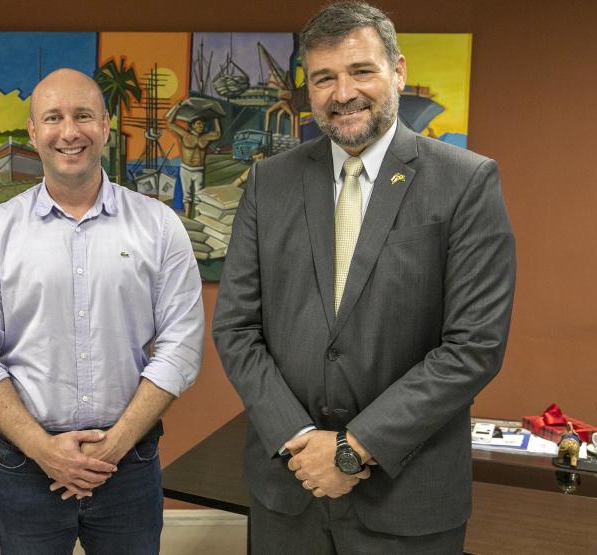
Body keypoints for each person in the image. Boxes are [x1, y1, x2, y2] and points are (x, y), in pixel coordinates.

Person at [212, 2, 516, 552]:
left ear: (397, 71)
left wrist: (354, 449)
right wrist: (302, 440)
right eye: (324, 77)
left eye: (361, 71)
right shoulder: (268, 183)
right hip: (289, 489)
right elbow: (236, 328)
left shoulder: (465, 184)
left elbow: (474, 346)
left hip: (408, 499)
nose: (342, 92)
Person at [0, 68, 204, 554]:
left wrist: (114, 445)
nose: (69, 132)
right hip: (26, 466)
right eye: (54, 117)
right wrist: (44, 450)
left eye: (83, 115)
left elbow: (181, 347)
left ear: (105, 127)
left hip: (127, 464)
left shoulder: (159, 226)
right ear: (32, 131)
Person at [166, 106, 222, 215]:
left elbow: (218, 134)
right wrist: (177, 108)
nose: (202, 126)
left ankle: (197, 218)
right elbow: (170, 123)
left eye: (203, 124)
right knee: (186, 197)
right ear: (192, 125)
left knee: (199, 196)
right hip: (185, 169)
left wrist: (216, 117)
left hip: (199, 170)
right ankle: (187, 218)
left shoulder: (205, 137)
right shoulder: (185, 135)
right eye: (199, 124)